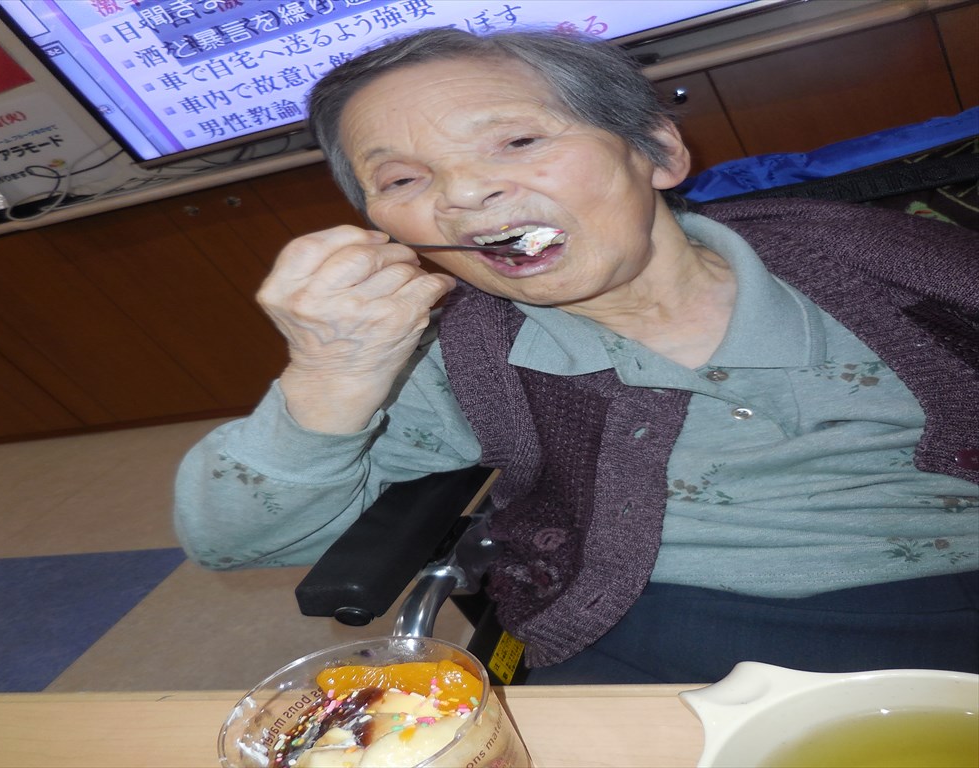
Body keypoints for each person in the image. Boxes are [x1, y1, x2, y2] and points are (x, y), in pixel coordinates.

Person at [174, 28, 979, 684]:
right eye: (404, 180)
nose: (463, 194)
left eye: (518, 140)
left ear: (655, 152)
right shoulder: (456, 358)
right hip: (650, 631)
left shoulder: (895, 265)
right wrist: (330, 372)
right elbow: (236, 542)